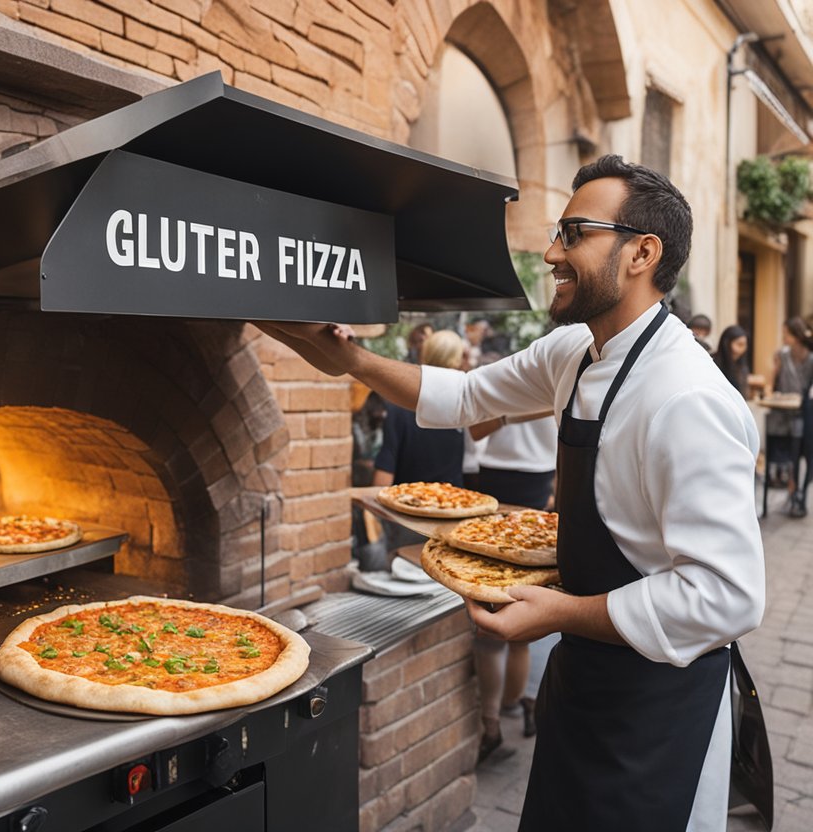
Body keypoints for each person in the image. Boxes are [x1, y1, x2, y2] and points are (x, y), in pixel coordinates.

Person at [259, 154, 765, 831]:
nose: (553, 251)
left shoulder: (687, 397)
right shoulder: (576, 354)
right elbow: (466, 395)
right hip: (584, 685)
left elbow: (726, 596)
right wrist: (351, 360)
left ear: (644, 252)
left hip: (660, 709)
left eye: (575, 233)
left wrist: (558, 613)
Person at [467, 411, 558, 763]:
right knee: (521, 615)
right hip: (537, 476)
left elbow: (475, 431)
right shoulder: (563, 372)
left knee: (492, 609)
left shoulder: (512, 374)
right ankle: (516, 706)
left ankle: (493, 722)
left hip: (498, 474)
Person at [372, 330, 468, 555]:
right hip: (454, 510)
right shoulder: (464, 407)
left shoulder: (398, 404)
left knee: (402, 576)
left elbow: (386, 465)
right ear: (456, 361)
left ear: (422, 357)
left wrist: (376, 518)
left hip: (407, 513)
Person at [766, 317, 813, 516]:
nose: (783, 336)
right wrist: (770, 392)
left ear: (796, 336)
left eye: (786, 333)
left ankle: (798, 495)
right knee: (786, 456)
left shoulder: (811, 358)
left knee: (803, 456)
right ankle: (792, 494)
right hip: (781, 412)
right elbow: (772, 381)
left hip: (804, 413)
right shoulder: (781, 355)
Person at [713, 324, 751, 398]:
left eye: (745, 345)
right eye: (739, 344)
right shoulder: (713, 364)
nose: (743, 349)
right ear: (726, 343)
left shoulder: (741, 365)